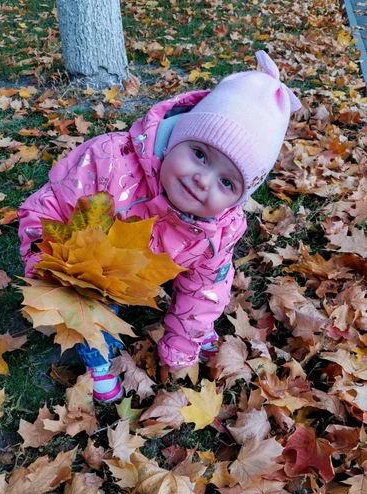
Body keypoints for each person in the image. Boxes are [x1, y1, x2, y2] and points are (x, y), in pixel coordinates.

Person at [18, 50, 301, 402]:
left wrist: (182, 343)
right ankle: (98, 356)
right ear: (176, 136)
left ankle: (194, 335)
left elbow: (204, 286)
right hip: (85, 269)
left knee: (202, 293)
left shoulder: (219, 229)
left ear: (238, 200)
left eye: (227, 183)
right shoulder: (109, 163)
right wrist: (44, 258)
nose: (202, 180)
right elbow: (47, 206)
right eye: (199, 154)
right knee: (85, 305)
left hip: (145, 273)